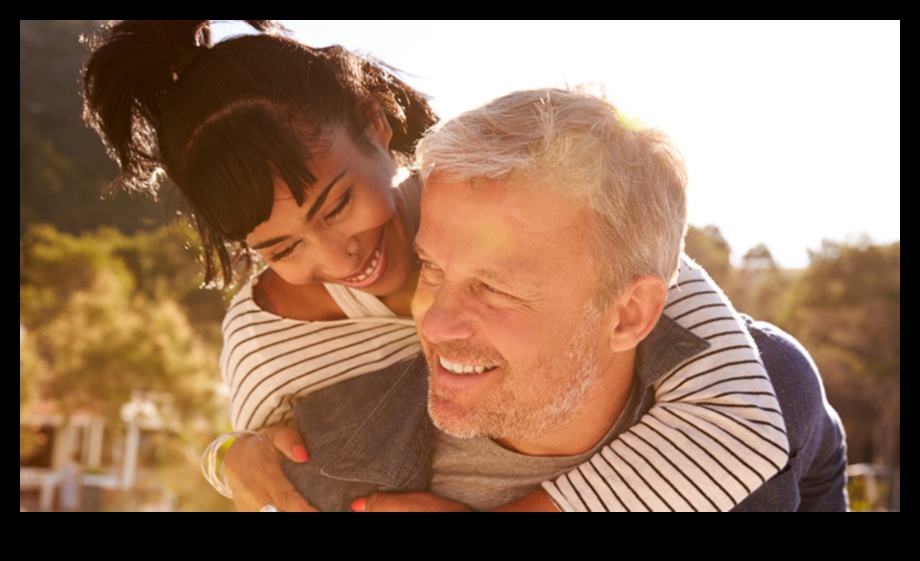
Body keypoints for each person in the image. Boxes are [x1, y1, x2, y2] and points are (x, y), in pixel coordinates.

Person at [82, 20, 789, 512]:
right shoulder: (271, 344)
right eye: (282, 247)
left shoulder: (500, 195)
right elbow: (277, 472)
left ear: (374, 125)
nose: (338, 259)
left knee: (780, 362)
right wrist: (226, 454)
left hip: (771, 431)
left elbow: (748, 419)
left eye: (336, 204)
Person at [283, 88, 849, 512]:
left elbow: (822, 468)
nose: (436, 324)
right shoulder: (326, 471)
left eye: (494, 286)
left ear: (629, 314)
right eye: (432, 268)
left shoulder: (768, 387)